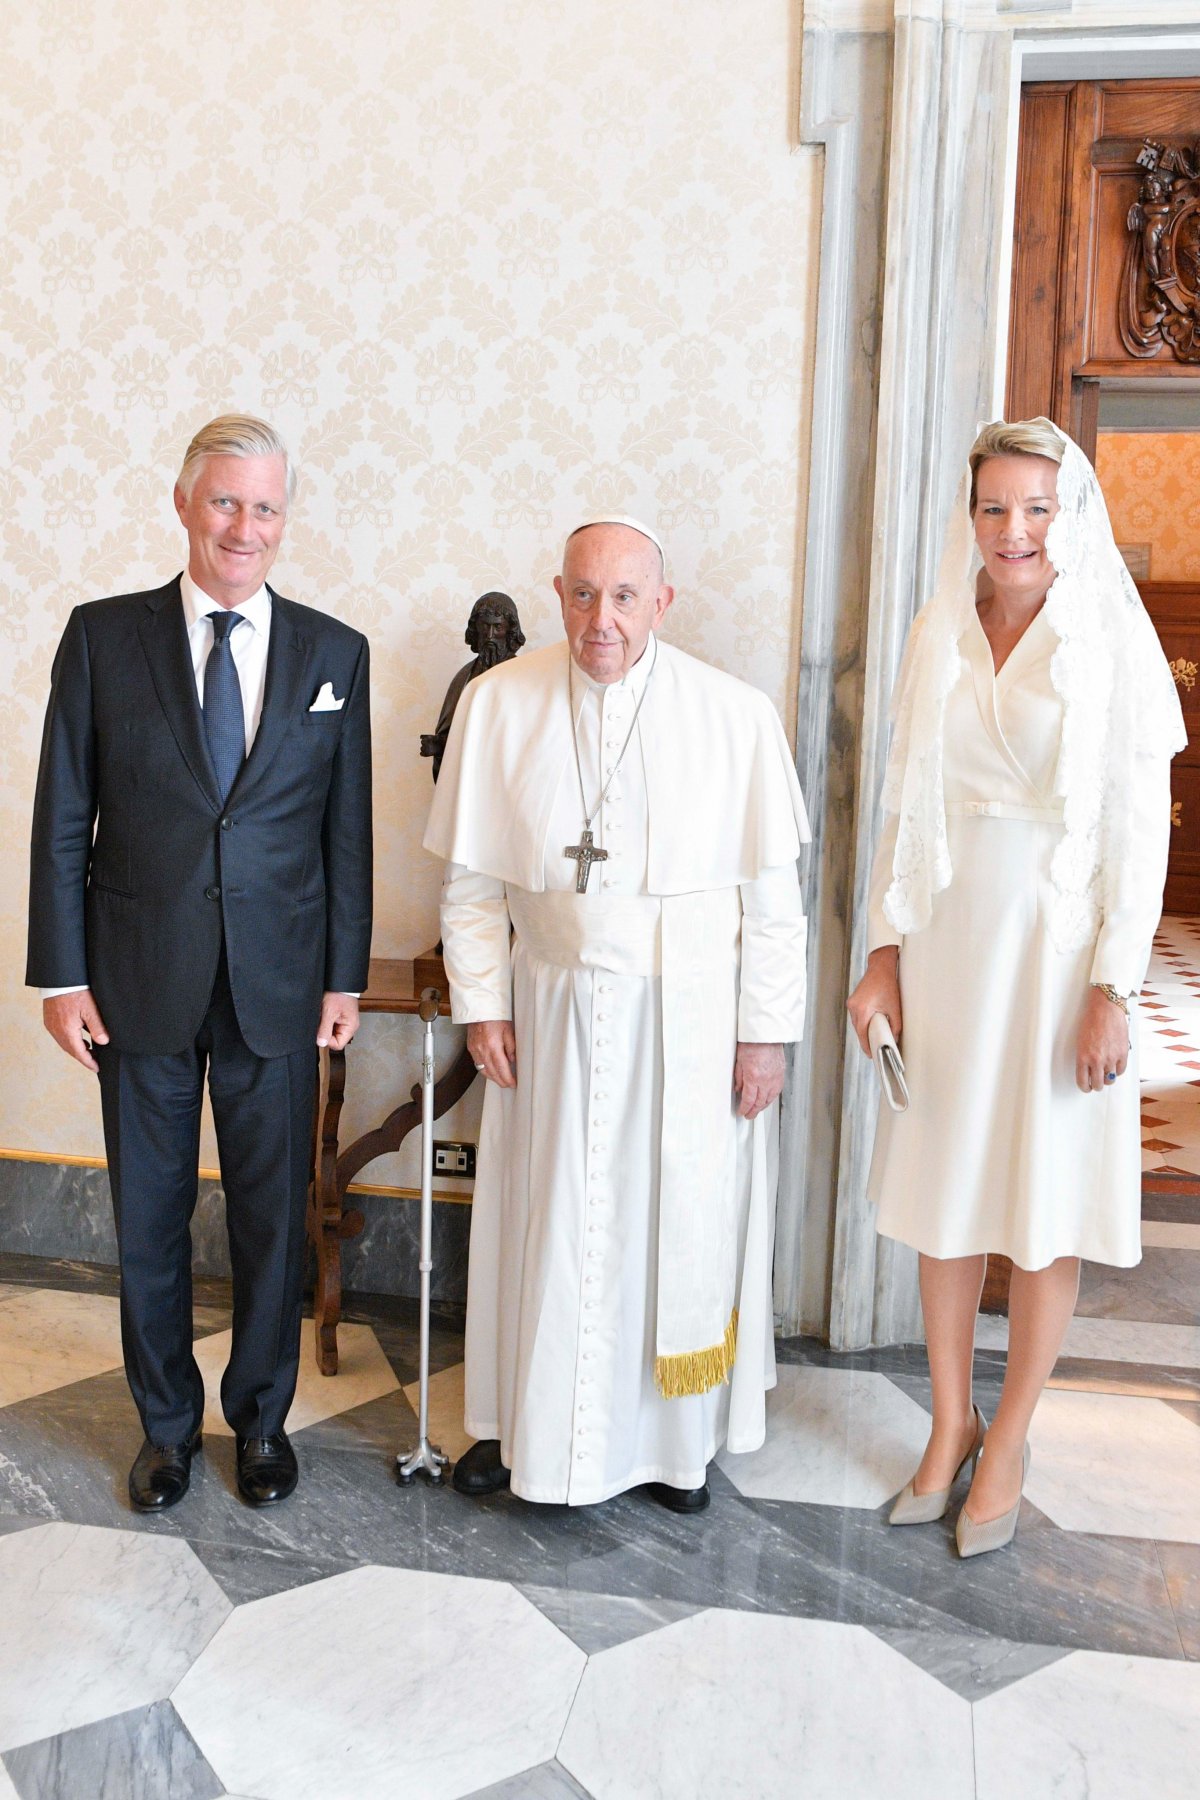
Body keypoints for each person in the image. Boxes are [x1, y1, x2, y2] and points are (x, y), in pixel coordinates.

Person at [425, 515, 809, 1510]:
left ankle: (672, 1453)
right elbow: (471, 887)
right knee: (542, 1228)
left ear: (662, 604)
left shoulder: (733, 717)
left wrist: (763, 1036)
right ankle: (517, 1431)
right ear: (558, 594)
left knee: (666, 1231)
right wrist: (482, 1006)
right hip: (547, 1012)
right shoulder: (502, 705)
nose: (604, 619)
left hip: (686, 1023)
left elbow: (773, 904)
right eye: (585, 594)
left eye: (626, 597)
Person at [848, 419, 1184, 1556]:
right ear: (971, 517)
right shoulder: (939, 628)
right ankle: (950, 1423)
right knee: (945, 1198)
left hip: (1053, 952)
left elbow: (1142, 832)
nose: (1013, 530)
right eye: (994, 507)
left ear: (1068, 515)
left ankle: (1015, 1433)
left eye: (1036, 507)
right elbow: (904, 805)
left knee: (1041, 1211)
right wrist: (883, 953)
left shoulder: (1104, 643)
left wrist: (1113, 986)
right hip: (946, 939)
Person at [27, 415, 372, 1512]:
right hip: (138, 981)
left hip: (279, 986)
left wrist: (343, 975)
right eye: (225, 501)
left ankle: (260, 1423)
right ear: (184, 505)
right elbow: (61, 815)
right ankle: (166, 1429)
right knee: (151, 1218)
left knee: (274, 1220)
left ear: (284, 520)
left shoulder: (334, 653)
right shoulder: (100, 637)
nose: (245, 526)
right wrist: (59, 976)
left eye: (265, 506)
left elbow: (345, 832)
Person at [420, 591, 526, 780]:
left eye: (498, 627)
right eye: (485, 627)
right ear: (475, 628)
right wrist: (439, 745)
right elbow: (455, 732)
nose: (490, 635)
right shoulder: (464, 677)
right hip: (468, 781)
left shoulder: (524, 679)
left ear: (510, 631)